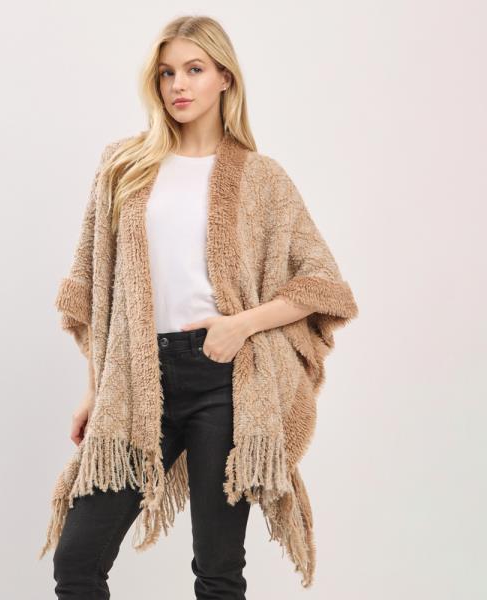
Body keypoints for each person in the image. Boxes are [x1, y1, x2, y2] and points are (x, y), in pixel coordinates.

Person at [41, 15, 359, 599]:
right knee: (77, 560)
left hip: (226, 378)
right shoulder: (123, 165)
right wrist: (95, 388)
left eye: (194, 69)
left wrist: (240, 325)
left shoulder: (261, 178)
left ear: (225, 78)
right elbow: (95, 289)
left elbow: (323, 283)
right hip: (137, 377)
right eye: (167, 73)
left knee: (218, 569)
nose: (179, 85)